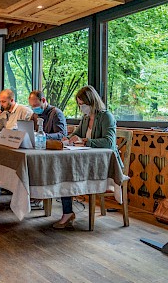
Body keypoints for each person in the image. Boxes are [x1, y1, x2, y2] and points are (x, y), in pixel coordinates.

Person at [54, 85, 122, 229]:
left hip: (105, 165)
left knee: (67, 174)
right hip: (87, 162)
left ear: (92, 102)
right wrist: (67, 140)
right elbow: (76, 134)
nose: (81, 107)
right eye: (79, 104)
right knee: (64, 172)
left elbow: (109, 143)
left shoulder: (106, 117)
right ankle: (68, 212)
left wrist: (86, 141)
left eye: (83, 104)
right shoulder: (85, 118)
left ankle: (68, 212)